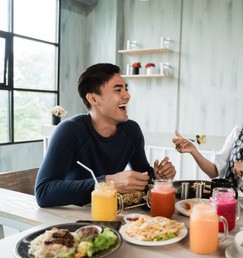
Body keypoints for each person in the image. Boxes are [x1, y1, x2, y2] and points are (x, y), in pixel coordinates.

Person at [35, 63, 176, 207]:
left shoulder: (131, 130)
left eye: (126, 89)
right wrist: (108, 183)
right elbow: (43, 192)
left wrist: (157, 177)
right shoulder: (69, 130)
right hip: (74, 215)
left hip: (112, 212)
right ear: (94, 99)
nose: (127, 95)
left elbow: (143, 173)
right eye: (118, 90)